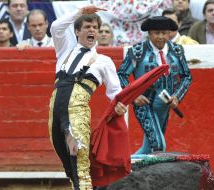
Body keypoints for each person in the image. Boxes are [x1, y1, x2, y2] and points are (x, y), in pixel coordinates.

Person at [48, 5, 127, 190]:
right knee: (69, 166)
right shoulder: (65, 49)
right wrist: (79, 13)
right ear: (77, 31)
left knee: (80, 165)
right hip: (55, 112)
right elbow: (56, 27)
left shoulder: (104, 61)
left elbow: (116, 93)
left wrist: (119, 105)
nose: (92, 30)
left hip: (77, 113)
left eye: (95, 28)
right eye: (87, 27)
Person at [117, 16, 192, 154]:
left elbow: (187, 76)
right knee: (158, 146)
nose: (161, 37)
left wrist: (177, 97)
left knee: (148, 149)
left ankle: (125, 170)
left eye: (164, 33)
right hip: (144, 104)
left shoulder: (177, 50)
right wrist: (133, 96)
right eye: (157, 33)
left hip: (165, 104)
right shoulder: (137, 51)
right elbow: (121, 74)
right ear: (149, 34)